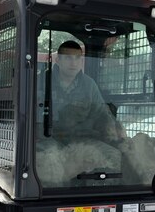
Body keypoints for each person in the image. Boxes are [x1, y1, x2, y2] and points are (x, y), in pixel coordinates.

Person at [36, 40, 124, 187]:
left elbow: (102, 113)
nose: (74, 63)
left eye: (78, 58)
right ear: (58, 60)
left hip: (80, 140)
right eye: (68, 57)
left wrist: (114, 130)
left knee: (112, 156)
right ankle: (56, 201)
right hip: (47, 140)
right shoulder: (39, 82)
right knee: (51, 161)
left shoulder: (89, 85)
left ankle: (96, 200)